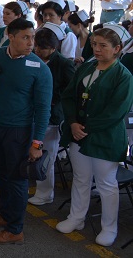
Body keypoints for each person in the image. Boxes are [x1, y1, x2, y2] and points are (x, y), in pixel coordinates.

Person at [56, 25, 133, 246]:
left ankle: (109, 228)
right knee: (81, 178)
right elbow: (68, 96)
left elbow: (116, 112)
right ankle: (76, 217)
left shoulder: (124, 76)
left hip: (104, 138)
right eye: (94, 44)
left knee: (106, 184)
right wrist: (72, 122)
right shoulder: (86, 68)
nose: (97, 49)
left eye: (103, 45)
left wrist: (83, 128)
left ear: (117, 48)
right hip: (78, 133)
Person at [0, 18, 52, 245]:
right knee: (0, 175)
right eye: (25, 37)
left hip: (20, 132)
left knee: (17, 180)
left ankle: (15, 230)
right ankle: (5, 215)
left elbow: (43, 109)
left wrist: (37, 143)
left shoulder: (40, 69)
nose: (31, 43)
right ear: (10, 37)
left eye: (33, 37)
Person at [28, 25, 75, 207]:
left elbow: (70, 91)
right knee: (32, 154)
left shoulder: (64, 64)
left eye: (43, 48)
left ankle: (45, 193)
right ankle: (37, 187)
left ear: (54, 48)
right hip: (31, 113)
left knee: (46, 155)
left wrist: (51, 99)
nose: (38, 50)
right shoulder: (31, 59)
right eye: (37, 46)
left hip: (52, 116)